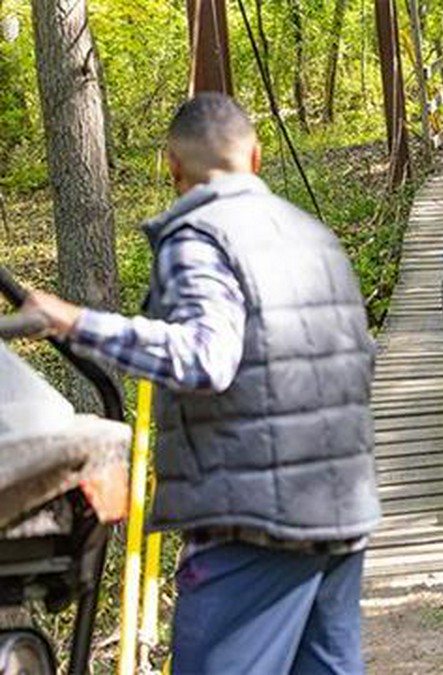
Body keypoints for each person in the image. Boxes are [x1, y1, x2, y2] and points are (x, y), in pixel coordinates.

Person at [25, 93, 381, 674]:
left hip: (253, 522)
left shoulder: (199, 238)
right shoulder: (315, 238)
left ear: (173, 168)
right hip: (342, 508)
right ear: (257, 157)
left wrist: (74, 322)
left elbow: (206, 357)